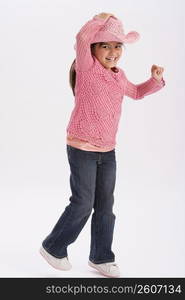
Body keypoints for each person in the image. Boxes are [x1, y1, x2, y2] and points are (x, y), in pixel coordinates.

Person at [40, 12, 165, 278]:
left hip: (108, 151)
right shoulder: (86, 68)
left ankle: (101, 256)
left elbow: (137, 93)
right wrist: (99, 21)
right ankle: (53, 246)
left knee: (105, 205)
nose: (112, 52)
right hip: (82, 148)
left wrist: (154, 80)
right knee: (83, 202)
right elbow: (81, 37)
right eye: (105, 45)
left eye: (117, 45)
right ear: (93, 49)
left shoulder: (119, 76)